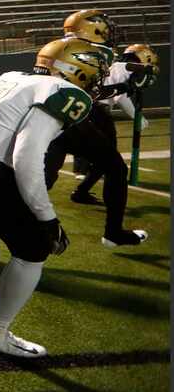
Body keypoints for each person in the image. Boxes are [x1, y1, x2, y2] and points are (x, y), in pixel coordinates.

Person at [0, 36, 110, 358]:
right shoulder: (63, 91)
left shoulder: (11, 77)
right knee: (33, 250)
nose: (96, 79)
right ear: (78, 69)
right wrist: (47, 217)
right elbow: (27, 155)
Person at [44, 43, 158, 246]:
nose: (101, 71)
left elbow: (95, 92)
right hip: (80, 114)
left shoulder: (60, 63)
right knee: (112, 166)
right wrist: (142, 73)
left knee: (47, 176)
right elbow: (131, 71)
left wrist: (126, 86)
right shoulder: (123, 65)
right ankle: (111, 230)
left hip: (71, 111)